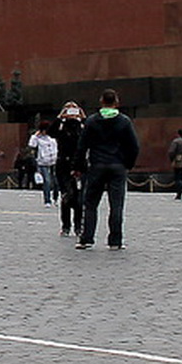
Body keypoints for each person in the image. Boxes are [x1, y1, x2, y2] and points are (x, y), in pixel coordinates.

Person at [75, 88, 140, 251]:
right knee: (116, 205)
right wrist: (128, 164)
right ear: (116, 102)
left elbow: (82, 146)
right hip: (117, 166)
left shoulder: (91, 121)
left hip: (97, 165)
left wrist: (78, 167)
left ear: (101, 101)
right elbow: (134, 146)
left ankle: (86, 238)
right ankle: (115, 240)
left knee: (90, 204)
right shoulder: (124, 121)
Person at [55, 103, 87, 236]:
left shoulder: (81, 127)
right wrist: (60, 117)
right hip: (63, 164)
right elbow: (52, 132)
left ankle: (78, 226)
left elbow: (91, 131)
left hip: (79, 164)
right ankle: (66, 225)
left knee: (79, 198)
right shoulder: (62, 126)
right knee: (67, 196)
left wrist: (83, 116)